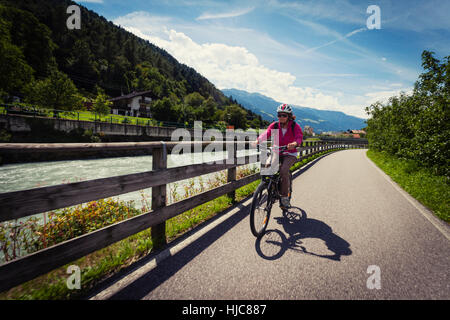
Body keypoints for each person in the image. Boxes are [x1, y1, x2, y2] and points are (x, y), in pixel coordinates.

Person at [253, 104, 303, 208]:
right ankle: (271, 188)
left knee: (284, 170)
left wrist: (294, 144)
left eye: (283, 115)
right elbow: (266, 134)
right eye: (279, 115)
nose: (281, 117)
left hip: (290, 153)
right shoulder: (275, 125)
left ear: (288, 116)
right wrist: (258, 140)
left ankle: (284, 197)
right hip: (277, 151)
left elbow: (299, 137)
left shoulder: (294, 126)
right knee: (267, 166)